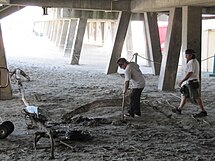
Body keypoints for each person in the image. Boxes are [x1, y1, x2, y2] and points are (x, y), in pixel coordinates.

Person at [172, 49, 207, 117]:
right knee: (184, 95)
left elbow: (190, 73)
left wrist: (182, 81)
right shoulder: (191, 61)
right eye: (187, 54)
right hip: (189, 82)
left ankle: (203, 111)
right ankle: (179, 109)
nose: (187, 56)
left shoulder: (192, 62)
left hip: (192, 82)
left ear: (190, 55)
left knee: (196, 97)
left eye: (189, 55)